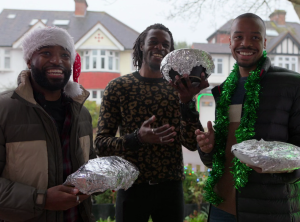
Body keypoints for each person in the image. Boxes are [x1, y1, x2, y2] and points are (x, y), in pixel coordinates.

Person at [95, 23, 209, 222]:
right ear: (141, 46)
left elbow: (191, 143)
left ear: (170, 51)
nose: (160, 47)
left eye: (166, 44)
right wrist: (137, 138)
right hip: (131, 187)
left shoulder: (178, 89)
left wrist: (187, 103)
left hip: (170, 188)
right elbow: (101, 145)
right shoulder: (118, 87)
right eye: (153, 42)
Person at [196, 13, 300, 222]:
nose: (246, 43)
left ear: (264, 42)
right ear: (230, 42)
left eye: (254, 37)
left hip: (269, 208)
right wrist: (208, 147)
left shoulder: (291, 85)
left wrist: (275, 169)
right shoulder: (224, 90)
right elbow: (217, 158)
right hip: (220, 207)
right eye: (239, 37)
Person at [0, 27, 96, 222]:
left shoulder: (82, 113)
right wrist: (41, 200)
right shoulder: (4, 110)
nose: (57, 60)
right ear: (29, 60)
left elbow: (89, 164)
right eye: (46, 53)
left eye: (64, 55)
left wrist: (97, 181)